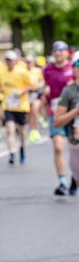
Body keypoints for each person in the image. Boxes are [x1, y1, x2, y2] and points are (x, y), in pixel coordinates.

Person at [43, 41, 77, 196]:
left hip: (73, 111)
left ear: (66, 52)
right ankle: (62, 181)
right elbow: (47, 87)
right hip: (56, 110)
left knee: (74, 147)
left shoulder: (73, 67)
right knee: (58, 146)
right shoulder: (47, 70)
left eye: (61, 50)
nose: (58, 53)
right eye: (55, 50)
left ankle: (74, 176)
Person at [0, 50, 31, 165]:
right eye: (7, 60)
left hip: (21, 106)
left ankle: (22, 148)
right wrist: (1, 91)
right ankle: (11, 153)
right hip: (8, 106)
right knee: (9, 129)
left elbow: (31, 85)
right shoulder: (2, 73)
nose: (8, 62)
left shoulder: (22, 72)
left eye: (10, 60)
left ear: (15, 61)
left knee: (22, 132)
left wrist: (21, 91)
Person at [54, 54, 79, 196]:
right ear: (74, 68)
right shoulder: (69, 91)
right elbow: (57, 121)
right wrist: (75, 111)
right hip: (76, 143)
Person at [25, 55, 45, 142]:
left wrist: (39, 85)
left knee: (35, 111)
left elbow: (42, 81)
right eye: (27, 62)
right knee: (29, 113)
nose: (28, 64)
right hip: (26, 94)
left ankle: (35, 130)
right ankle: (31, 130)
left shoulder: (37, 71)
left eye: (30, 62)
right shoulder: (23, 71)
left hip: (35, 93)